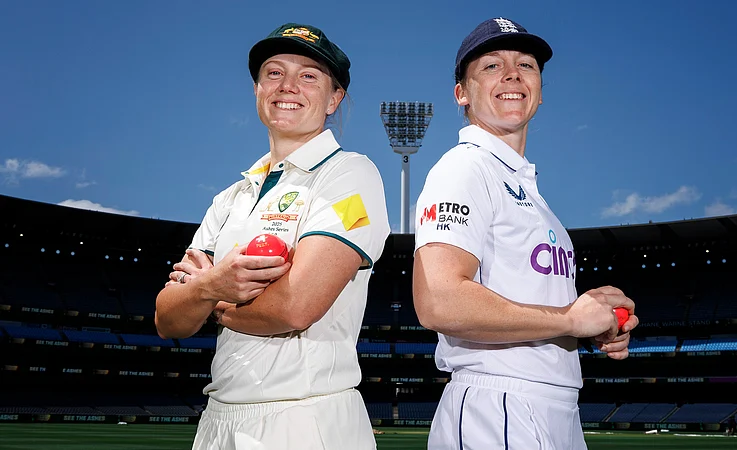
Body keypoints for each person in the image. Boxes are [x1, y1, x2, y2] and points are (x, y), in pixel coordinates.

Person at [155, 22, 390, 450]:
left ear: (334, 98)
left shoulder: (351, 175)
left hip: (305, 417)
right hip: (217, 419)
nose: (288, 86)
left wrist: (209, 299)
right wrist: (211, 288)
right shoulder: (230, 197)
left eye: (309, 76)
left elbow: (296, 308)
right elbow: (168, 319)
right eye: (274, 72)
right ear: (258, 89)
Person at [413, 18, 639, 450]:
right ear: (462, 93)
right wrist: (569, 319)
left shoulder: (524, 187)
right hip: (498, 402)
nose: (513, 74)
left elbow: (526, 303)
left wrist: (590, 324)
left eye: (526, 65)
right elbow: (440, 301)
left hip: (552, 403)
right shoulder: (465, 167)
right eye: (492, 66)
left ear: (538, 89)